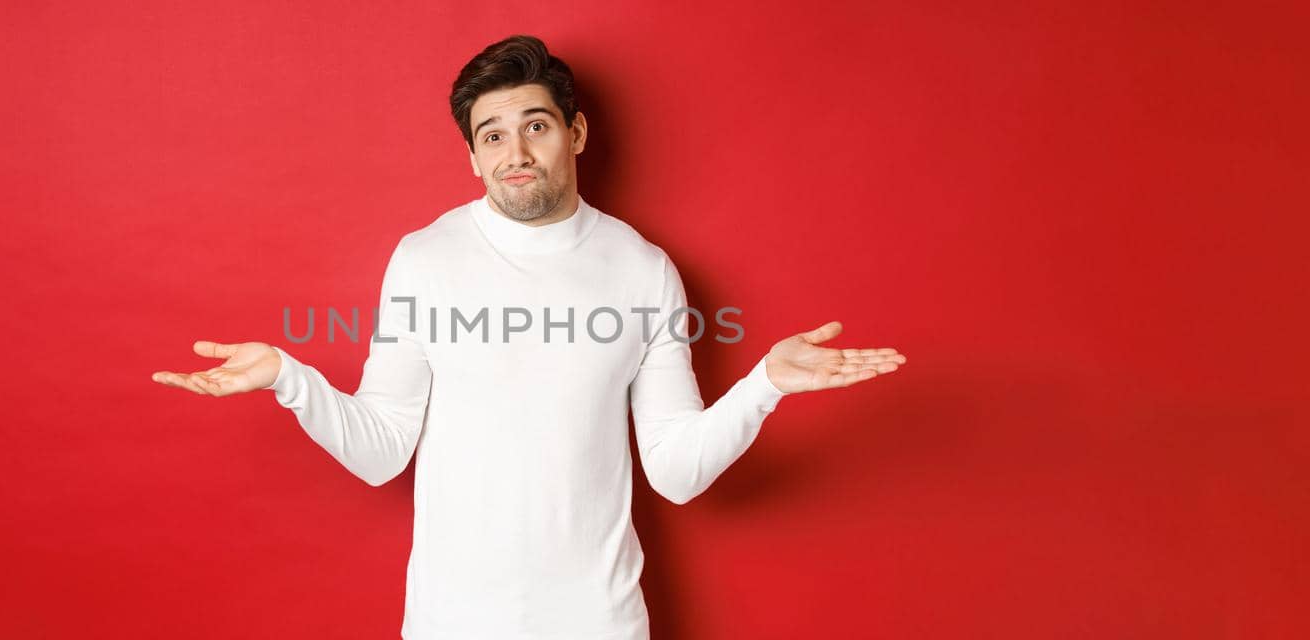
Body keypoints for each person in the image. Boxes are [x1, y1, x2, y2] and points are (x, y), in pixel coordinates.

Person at [153, 34, 906, 640]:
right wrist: (289, 376)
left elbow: (676, 470)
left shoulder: (643, 270)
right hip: (453, 625)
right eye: (493, 135)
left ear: (574, 132)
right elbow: (381, 450)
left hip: (601, 624)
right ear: (472, 156)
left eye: (535, 126)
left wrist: (765, 385)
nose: (515, 153)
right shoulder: (424, 260)